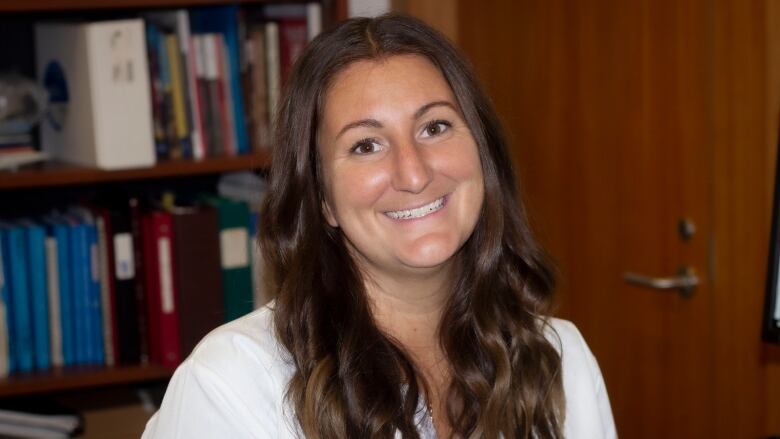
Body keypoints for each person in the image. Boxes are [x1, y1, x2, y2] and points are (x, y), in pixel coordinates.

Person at [142, 14, 617, 439]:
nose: (414, 174)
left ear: (483, 154)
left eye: (435, 127)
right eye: (366, 145)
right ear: (322, 198)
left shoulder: (559, 357)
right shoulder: (232, 382)